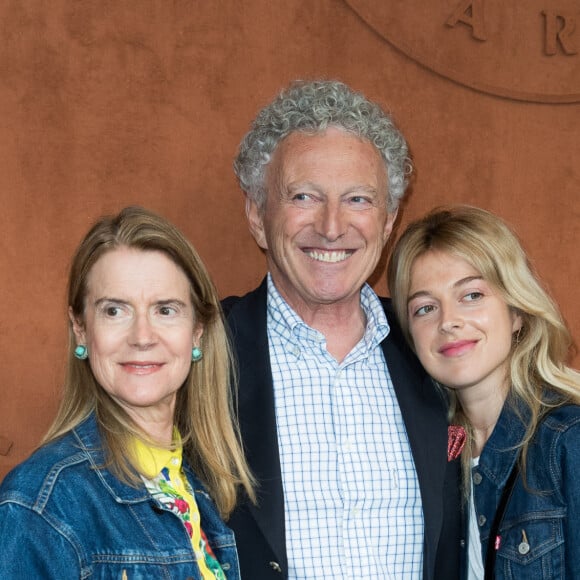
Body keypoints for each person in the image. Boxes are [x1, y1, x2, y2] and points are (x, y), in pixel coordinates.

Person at [222, 80, 461, 579]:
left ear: (390, 219)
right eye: (304, 196)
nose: (332, 227)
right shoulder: (199, 350)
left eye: (357, 199)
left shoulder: (440, 343)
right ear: (256, 215)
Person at [0, 206, 254, 579]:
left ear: (198, 330)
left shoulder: (200, 486)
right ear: (81, 329)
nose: (142, 337)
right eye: (115, 311)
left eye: (165, 310)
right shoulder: (42, 504)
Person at [387, 205, 580, 579]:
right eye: (425, 308)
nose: (448, 321)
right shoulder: (431, 461)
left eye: (471, 295)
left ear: (517, 312)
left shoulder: (567, 442)